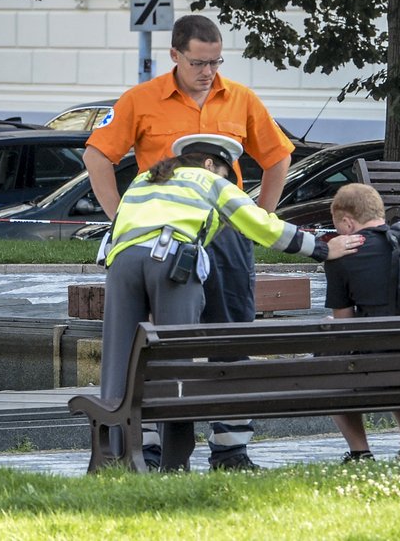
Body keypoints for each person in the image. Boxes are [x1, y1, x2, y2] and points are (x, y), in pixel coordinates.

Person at [84, 14, 295, 470]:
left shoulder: (240, 98)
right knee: (160, 343)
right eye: (199, 62)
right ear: (175, 55)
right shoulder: (142, 100)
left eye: (216, 61)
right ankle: (154, 443)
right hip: (167, 238)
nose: (208, 72)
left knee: (231, 332)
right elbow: (97, 155)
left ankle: (231, 447)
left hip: (226, 235)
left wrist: (263, 216)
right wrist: (120, 217)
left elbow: (278, 157)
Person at [100, 133, 363, 472]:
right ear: (211, 163)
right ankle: (172, 461)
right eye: (228, 171)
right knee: (174, 360)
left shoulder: (144, 177)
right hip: (172, 262)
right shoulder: (210, 180)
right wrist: (323, 248)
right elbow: (261, 226)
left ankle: (121, 453)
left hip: (120, 263)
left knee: (122, 359)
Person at [323, 183, 400, 462]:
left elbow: (345, 328)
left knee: (327, 356)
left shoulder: (344, 256)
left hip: (379, 364)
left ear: (347, 222)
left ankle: (360, 450)